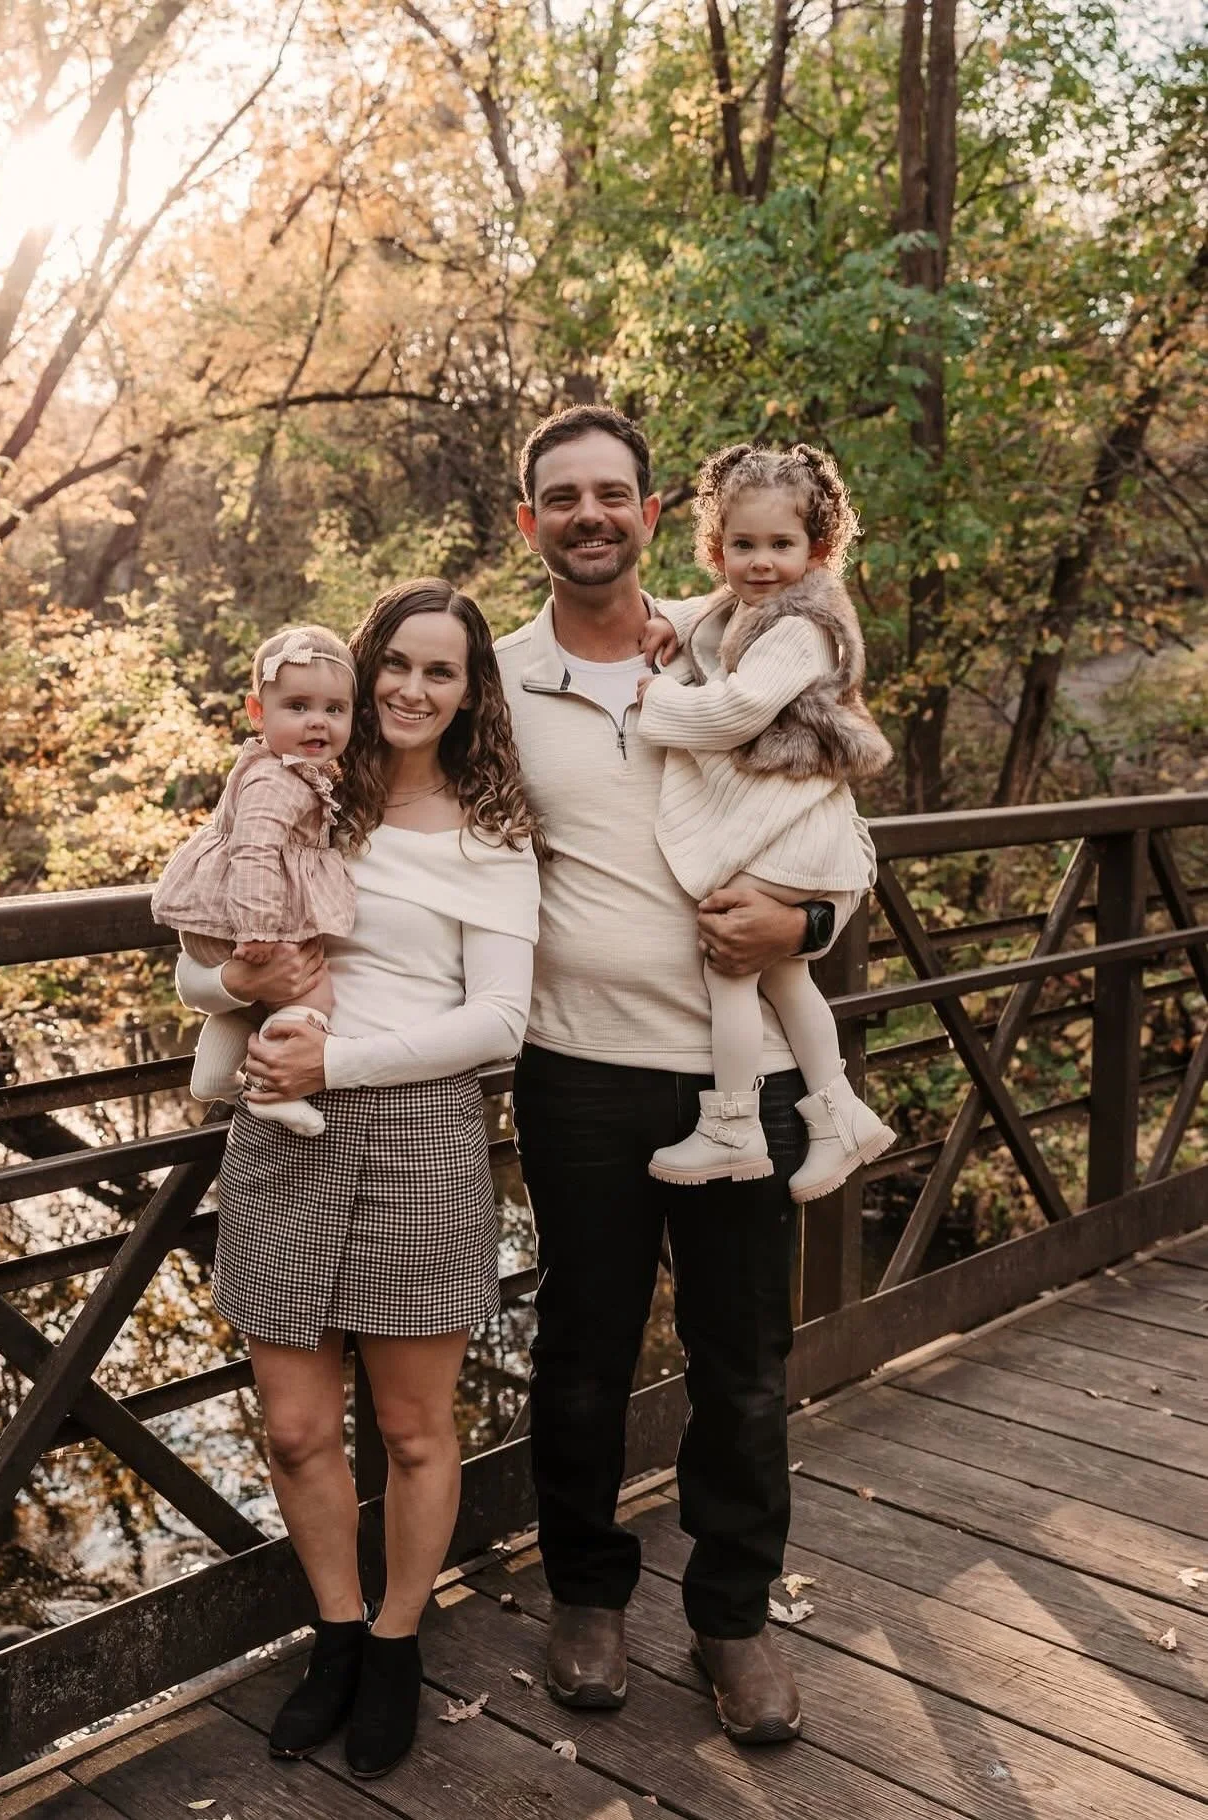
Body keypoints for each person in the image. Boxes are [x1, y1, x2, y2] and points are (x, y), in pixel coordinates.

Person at [498, 405, 873, 1745]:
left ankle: (733, 1622)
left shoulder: (738, 642)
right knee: (584, 1355)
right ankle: (587, 1597)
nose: (589, 514)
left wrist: (810, 925)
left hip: (753, 1074)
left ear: (655, 517)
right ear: (528, 523)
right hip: (579, 1074)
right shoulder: (494, 680)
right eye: (563, 498)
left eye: (614, 493)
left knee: (745, 1366)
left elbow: (839, 829)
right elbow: (410, 837)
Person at [175, 580, 540, 1780]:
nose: (411, 689)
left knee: (413, 1429)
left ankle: (395, 1640)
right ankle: (333, 1630)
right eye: (396, 664)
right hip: (283, 1132)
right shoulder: (298, 787)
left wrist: (346, 1052)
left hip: (422, 1133)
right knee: (290, 1429)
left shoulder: (494, 832)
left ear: (470, 691)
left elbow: (500, 1021)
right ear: (362, 665)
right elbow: (196, 966)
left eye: (442, 671)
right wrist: (243, 991)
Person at [635, 442, 894, 1196]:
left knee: (729, 963)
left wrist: (659, 701)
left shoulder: (803, 627)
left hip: (796, 834)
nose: (759, 563)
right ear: (718, 549)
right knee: (784, 980)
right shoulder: (748, 603)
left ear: (817, 550)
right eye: (741, 545)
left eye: (780, 546)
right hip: (793, 832)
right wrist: (663, 623)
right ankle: (838, 1113)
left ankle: (732, 1126)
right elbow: (705, 613)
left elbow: (737, 709)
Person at [150, 624, 358, 1135]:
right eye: (299, 707)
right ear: (258, 712)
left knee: (254, 1003)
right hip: (243, 918)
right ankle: (273, 1092)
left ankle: (212, 1072)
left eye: (334, 710)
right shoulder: (277, 778)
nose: (317, 723)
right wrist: (259, 927)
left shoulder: (280, 768)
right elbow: (255, 849)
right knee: (313, 994)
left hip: (226, 918)